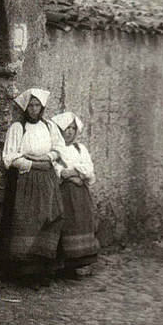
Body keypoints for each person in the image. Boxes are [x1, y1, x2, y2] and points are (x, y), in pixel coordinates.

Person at [1, 88, 65, 287]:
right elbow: (9, 157)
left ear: (42, 108)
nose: (34, 109)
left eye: (37, 106)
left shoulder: (49, 126)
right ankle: (26, 273)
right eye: (31, 105)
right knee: (27, 221)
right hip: (25, 181)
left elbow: (59, 148)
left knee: (50, 217)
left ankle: (44, 270)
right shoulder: (18, 128)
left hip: (47, 180)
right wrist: (33, 164)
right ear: (25, 107)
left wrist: (47, 158)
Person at [51, 111, 101, 278]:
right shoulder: (55, 149)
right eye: (67, 128)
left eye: (73, 128)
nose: (70, 131)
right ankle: (62, 264)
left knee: (81, 223)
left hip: (80, 195)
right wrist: (75, 176)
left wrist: (76, 173)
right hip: (63, 193)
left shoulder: (80, 148)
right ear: (60, 130)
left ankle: (78, 264)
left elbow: (89, 170)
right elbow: (59, 172)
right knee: (66, 225)